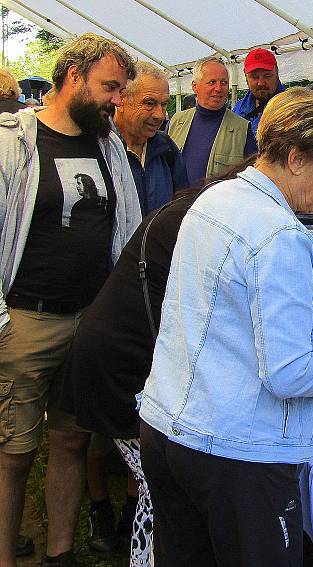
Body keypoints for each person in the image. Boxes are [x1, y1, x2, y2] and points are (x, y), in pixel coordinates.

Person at [138, 89, 313, 566]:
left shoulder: (217, 198)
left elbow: (221, 317)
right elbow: (289, 374)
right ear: (295, 159)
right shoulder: (281, 235)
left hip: (172, 425)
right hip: (236, 450)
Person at [58, 154, 254, 567]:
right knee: (154, 484)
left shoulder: (196, 209)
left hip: (118, 353)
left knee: (148, 475)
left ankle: (135, 543)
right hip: (121, 363)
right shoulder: (205, 221)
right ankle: (141, 552)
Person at [0, 33, 140, 567]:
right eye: (110, 87)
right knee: (14, 453)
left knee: (72, 443)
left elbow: (126, 233)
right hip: (26, 318)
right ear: (73, 76)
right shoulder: (15, 141)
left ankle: (61, 554)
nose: (116, 101)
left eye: (121, 90)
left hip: (88, 319)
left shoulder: (107, 148)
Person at [168, 56, 257, 186]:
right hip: (178, 205)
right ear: (195, 86)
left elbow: (251, 178)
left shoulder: (242, 129)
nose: (218, 88)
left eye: (224, 82)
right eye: (212, 82)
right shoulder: (176, 122)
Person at [115, 61, 189, 214]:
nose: (160, 115)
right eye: (149, 103)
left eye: (164, 104)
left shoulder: (167, 150)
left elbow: (181, 208)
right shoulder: (103, 149)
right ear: (121, 99)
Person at [232, 48, 285, 136]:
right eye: (254, 77)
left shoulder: (291, 108)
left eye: (267, 76)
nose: (261, 83)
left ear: (277, 73)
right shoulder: (238, 109)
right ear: (245, 76)